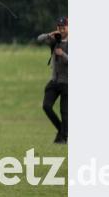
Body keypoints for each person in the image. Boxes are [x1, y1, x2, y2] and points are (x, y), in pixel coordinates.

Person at [37, 16, 68, 144]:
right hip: (54, 80)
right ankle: (62, 131)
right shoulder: (55, 40)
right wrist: (50, 34)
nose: (61, 30)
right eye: (59, 27)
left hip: (68, 82)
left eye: (63, 27)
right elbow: (39, 39)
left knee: (64, 111)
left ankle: (63, 138)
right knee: (46, 106)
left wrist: (63, 54)